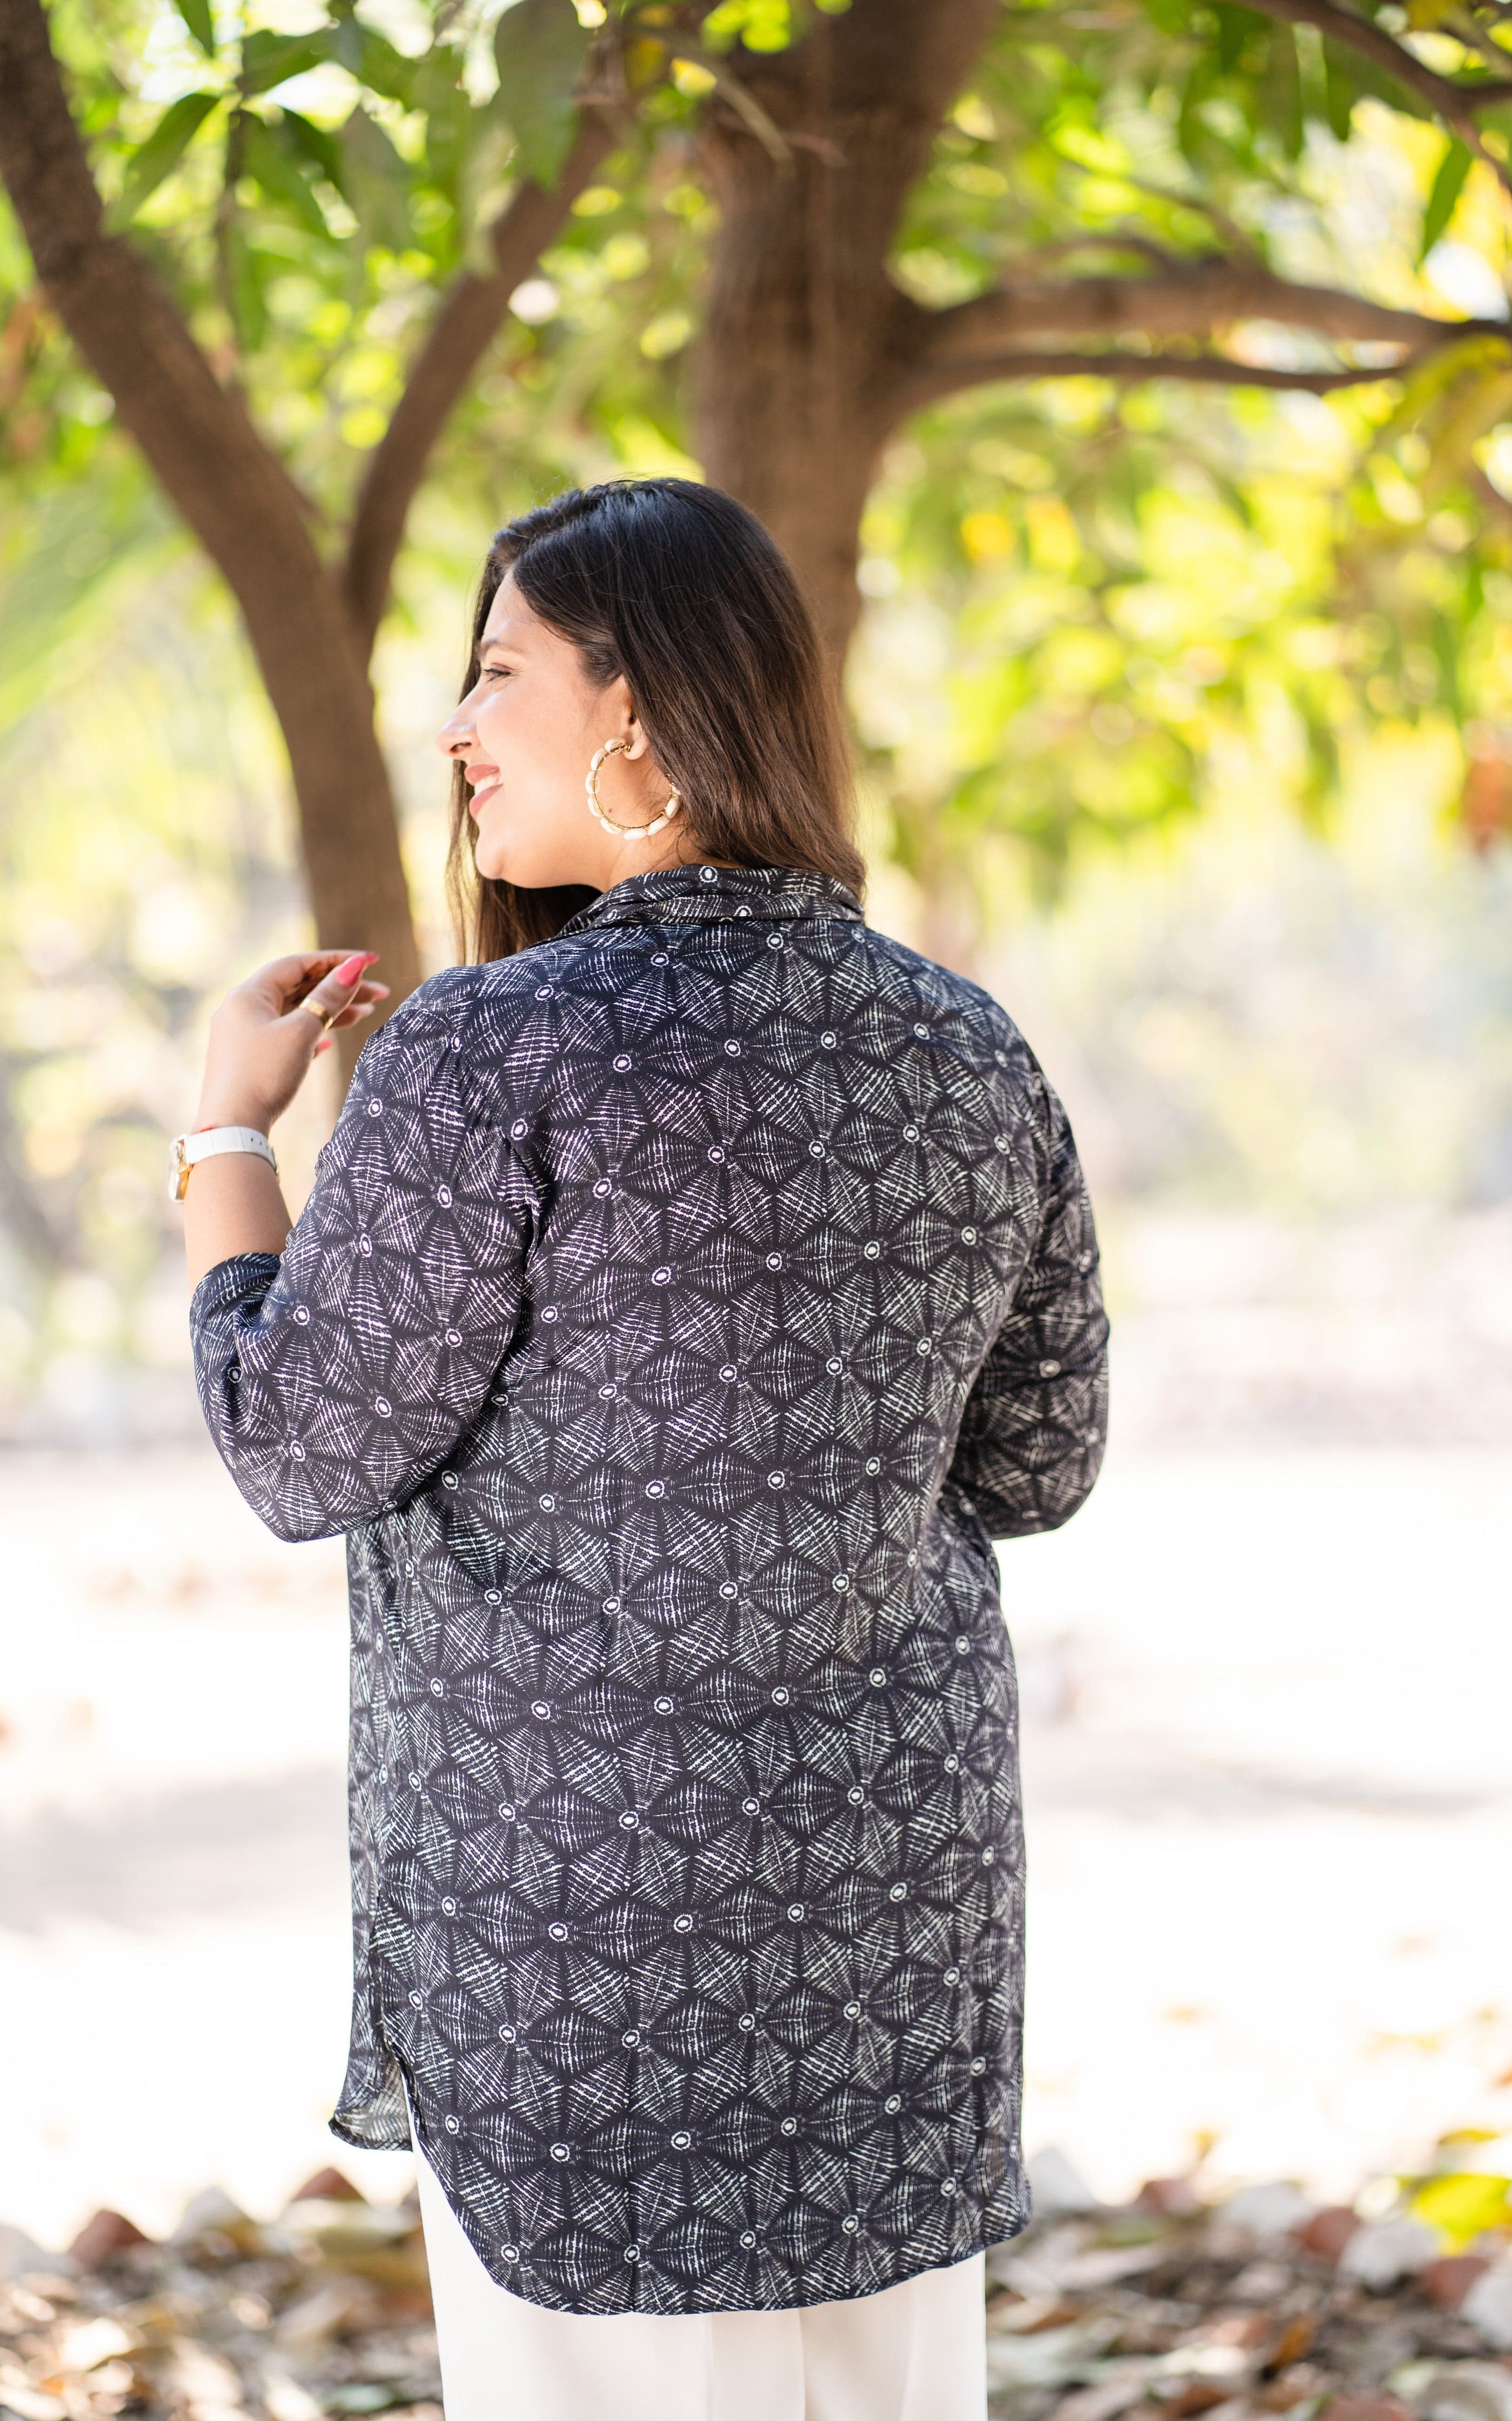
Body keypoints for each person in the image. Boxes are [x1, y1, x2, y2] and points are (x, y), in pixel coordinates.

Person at [177, 478, 1109, 2421]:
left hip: (584, 1951)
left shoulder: (488, 1055)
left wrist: (224, 1140)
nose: (455, 723)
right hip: (885, 1939)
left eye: (498, 669)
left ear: (636, 710)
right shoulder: (968, 1049)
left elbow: (298, 1444)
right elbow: (1037, 1468)